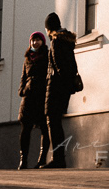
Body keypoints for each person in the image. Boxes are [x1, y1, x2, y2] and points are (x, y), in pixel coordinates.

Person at [42, 12, 80, 168]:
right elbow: (71, 65)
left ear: (49, 28)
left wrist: (57, 83)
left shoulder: (56, 42)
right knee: (56, 121)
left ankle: (58, 158)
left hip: (56, 87)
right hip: (64, 87)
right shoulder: (66, 41)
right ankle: (59, 158)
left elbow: (58, 67)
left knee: (53, 121)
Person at [17, 31, 49, 168]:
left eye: (38, 40)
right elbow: (23, 76)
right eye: (33, 40)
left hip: (41, 96)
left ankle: (42, 159)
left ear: (42, 42)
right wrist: (22, 90)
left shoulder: (47, 56)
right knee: (25, 128)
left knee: (44, 128)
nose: (35, 43)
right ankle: (23, 160)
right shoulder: (27, 58)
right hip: (28, 97)